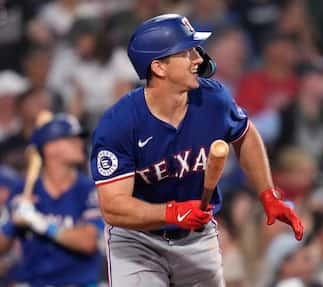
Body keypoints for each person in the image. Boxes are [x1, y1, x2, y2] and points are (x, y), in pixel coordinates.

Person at [90, 14, 304, 286]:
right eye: (186, 52)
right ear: (159, 67)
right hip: (137, 241)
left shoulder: (213, 99)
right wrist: (172, 212)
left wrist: (268, 193)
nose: (198, 59)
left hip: (197, 236)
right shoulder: (119, 124)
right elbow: (113, 207)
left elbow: (246, 136)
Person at [0, 113, 104, 286]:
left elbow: (88, 242)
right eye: (72, 139)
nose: (80, 144)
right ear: (50, 148)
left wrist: (37, 221)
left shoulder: (88, 190)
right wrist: (13, 222)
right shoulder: (24, 190)